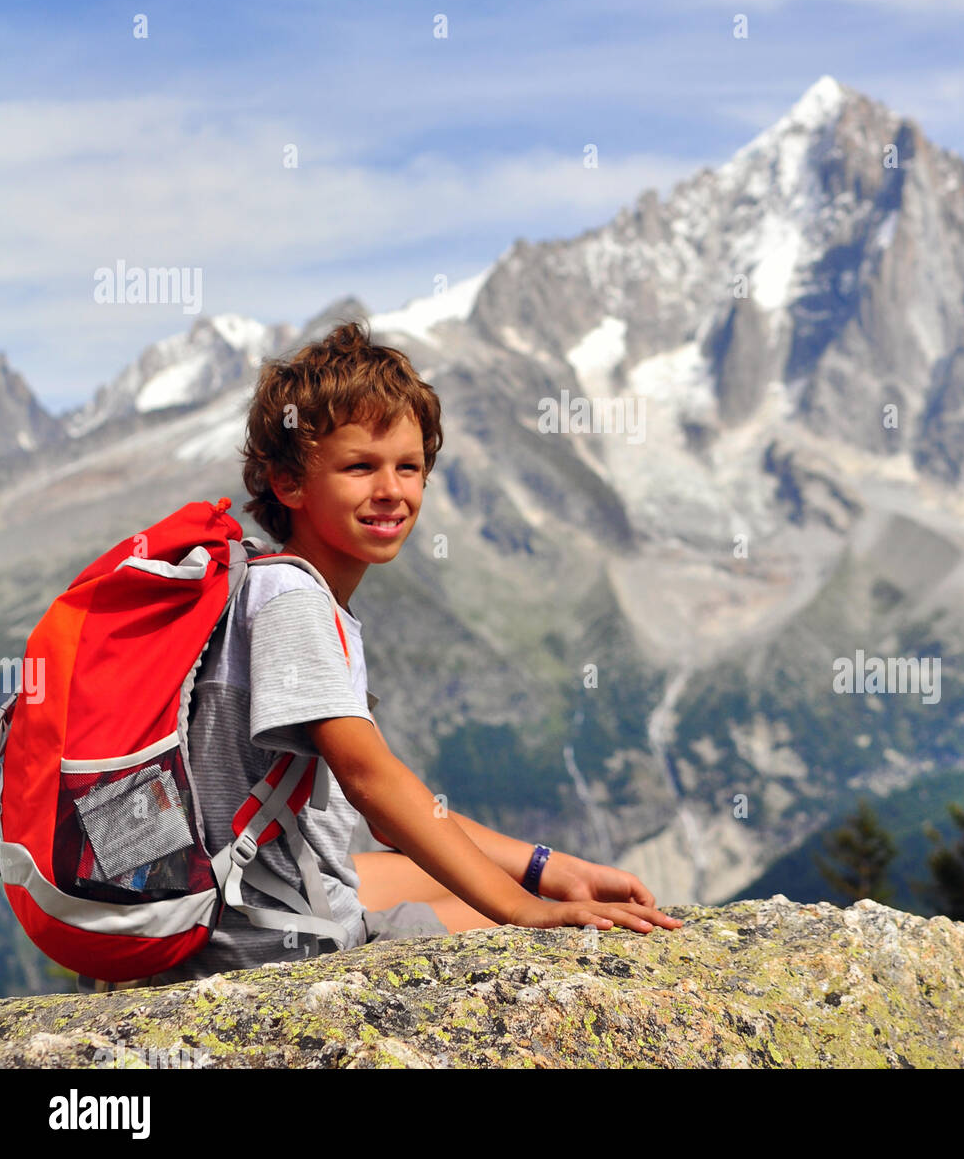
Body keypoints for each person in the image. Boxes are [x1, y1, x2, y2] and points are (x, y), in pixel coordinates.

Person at [136, 318, 681, 988]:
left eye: (409, 466)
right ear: (288, 483)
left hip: (243, 905)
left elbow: (402, 817)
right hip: (268, 947)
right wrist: (522, 908)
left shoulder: (266, 583)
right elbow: (373, 784)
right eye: (360, 467)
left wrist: (550, 868)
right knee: (544, 937)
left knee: (448, 879)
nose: (392, 490)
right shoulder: (293, 602)